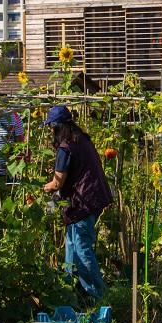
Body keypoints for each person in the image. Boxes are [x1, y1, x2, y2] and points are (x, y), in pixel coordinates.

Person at [42, 105, 113, 301]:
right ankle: (71, 291)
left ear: (58, 127)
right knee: (72, 245)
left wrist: (43, 188)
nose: (49, 131)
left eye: (51, 127)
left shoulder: (65, 147)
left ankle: (97, 296)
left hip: (84, 202)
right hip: (93, 197)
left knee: (81, 248)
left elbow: (57, 182)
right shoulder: (81, 140)